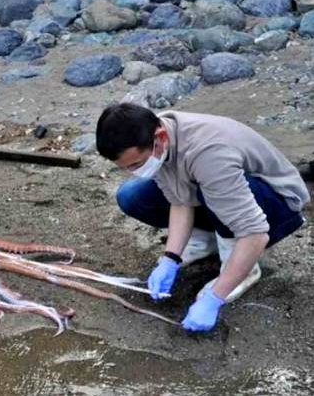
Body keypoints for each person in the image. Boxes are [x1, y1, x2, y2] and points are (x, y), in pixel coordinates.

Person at [95, 103, 309, 332]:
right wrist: (171, 258)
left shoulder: (208, 153)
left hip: (277, 204)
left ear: (160, 137)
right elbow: (180, 200)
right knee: (132, 195)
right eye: (125, 167)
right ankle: (208, 240)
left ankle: (241, 266)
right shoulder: (158, 139)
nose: (133, 171)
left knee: (210, 193)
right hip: (221, 191)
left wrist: (215, 298)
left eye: (136, 164)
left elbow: (255, 233)